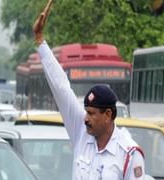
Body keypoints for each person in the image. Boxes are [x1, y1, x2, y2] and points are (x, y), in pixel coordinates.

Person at [33, 0, 145, 179]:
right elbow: (61, 87)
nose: (85, 118)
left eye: (92, 113)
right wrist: (40, 41)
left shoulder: (129, 153)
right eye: (86, 112)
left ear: (108, 114)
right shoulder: (81, 134)